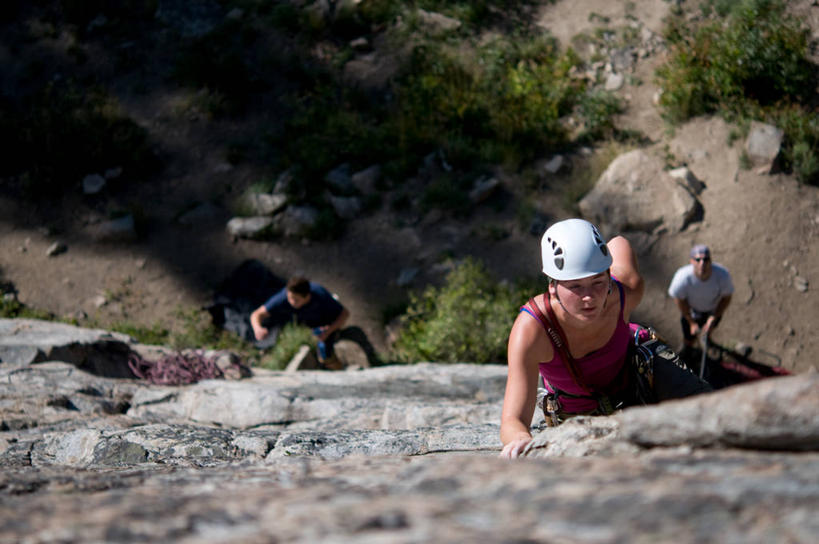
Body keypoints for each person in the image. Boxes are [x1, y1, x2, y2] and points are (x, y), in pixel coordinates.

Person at [500, 219, 711, 459]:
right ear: (553, 287)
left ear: (610, 277)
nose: (588, 297)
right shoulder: (533, 329)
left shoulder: (625, 291)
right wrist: (520, 441)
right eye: (575, 286)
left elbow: (620, 243)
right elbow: (512, 419)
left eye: (598, 283)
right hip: (578, 414)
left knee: (709, 415)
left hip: (641, 375)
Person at [250, 276, 350, 366]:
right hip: (307, 321)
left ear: (307, 296)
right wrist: (257, 328)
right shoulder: (284, 298)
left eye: (296, 300)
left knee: (325, 356)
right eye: (289, 298)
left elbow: (345, 314)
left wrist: (328, 331)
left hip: (325, 320)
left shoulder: (320, 294)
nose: (291, 302)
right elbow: (257, 314)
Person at [667, 244, 733, 352]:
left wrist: (714, 316)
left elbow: (727, 297)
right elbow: (679, 300)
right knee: (689, 335)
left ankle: (706, 338)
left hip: (712, 310)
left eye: (706, 259)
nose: (702, 264)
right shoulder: (682, 277)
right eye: (698, 260)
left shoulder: (723, 275)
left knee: (709, 329)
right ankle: (688, 347)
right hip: (692, 311)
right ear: (691, 261)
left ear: (710, 261)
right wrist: (691, 322)